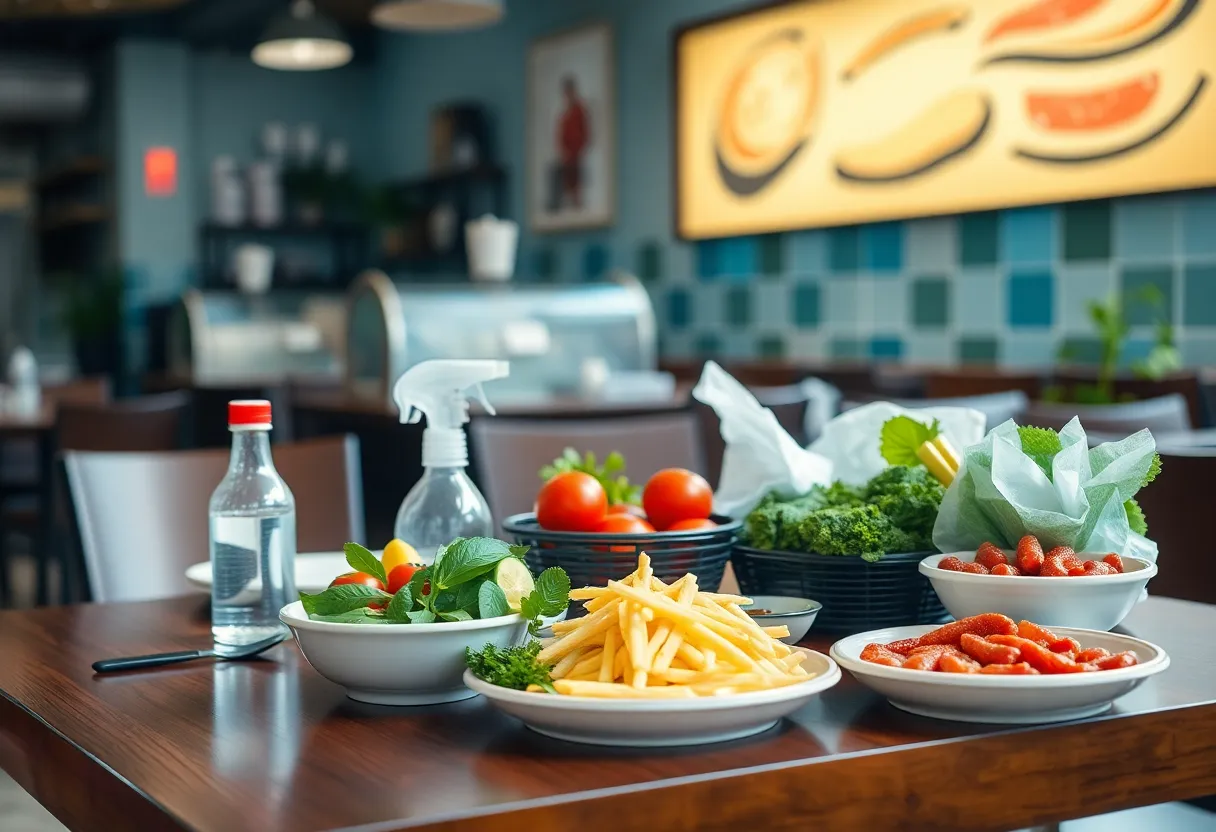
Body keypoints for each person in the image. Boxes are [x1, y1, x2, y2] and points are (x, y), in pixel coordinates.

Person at [554, 75, 590, 210]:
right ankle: (570, 204)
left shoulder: (579, 110)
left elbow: (585, 132)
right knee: (567, 181)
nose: (567, 94)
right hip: (567, 154)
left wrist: (578, 148)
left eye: (569, 91)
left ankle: (577, 204)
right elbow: (561, 133)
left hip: (576, 153)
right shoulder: (566, 112)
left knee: (576, 182)